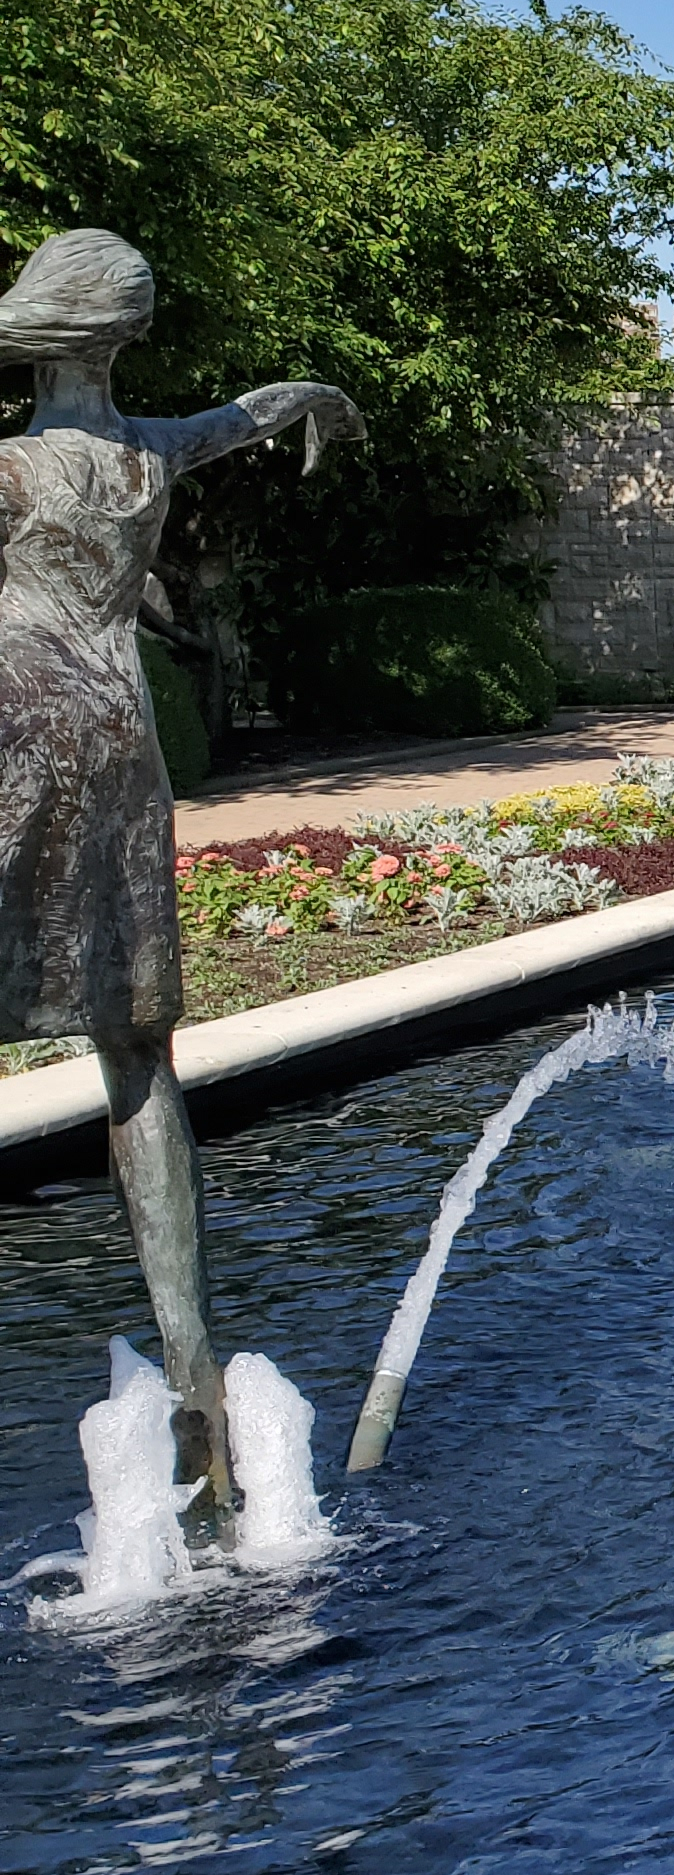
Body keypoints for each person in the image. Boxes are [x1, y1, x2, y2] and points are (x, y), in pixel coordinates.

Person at [0, 229, 362, 1509]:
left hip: (19, 731)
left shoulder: (11, 471)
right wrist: (318, 396)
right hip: (120, 741)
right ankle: (195, 1362)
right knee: (137, 1054)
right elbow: (243, 417)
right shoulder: (145, 455)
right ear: (124, 336)